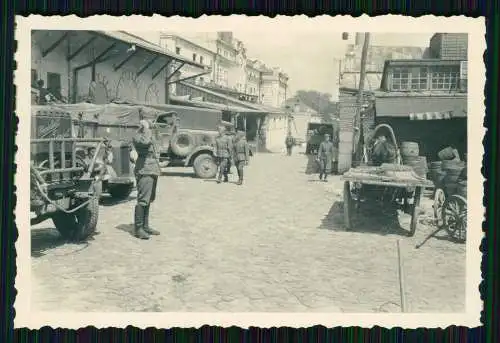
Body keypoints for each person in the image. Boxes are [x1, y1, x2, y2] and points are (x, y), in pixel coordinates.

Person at [132, 119, 161, 240]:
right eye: (147, 122)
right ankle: (138, 229)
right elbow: (145, 142)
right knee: (143, 200)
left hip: (152, 168)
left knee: (149, 199)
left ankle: (145, 226)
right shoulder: (138, 135)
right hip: (144, 169)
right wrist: (146, 129)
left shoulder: (148, 133)